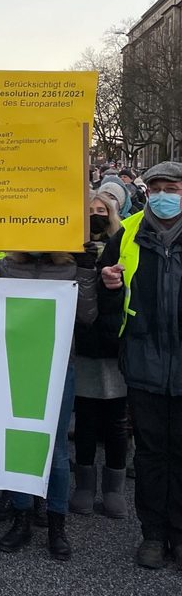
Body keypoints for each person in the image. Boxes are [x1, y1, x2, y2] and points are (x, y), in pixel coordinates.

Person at [98, 161, 182, 569]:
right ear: (147, 191)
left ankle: (178, 535)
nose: (165, 195)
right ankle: (152, 535)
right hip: (145, 361)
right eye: (158, 187)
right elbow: (109, 295)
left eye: (174, 187)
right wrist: (110, 286)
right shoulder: (128, 232)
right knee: (150, 454)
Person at [0, 250, 98, 561]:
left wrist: (87, 274)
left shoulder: (72, 268)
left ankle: (56, 524)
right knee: (21, 441)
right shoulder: (6, 265)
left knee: (57, 449)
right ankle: (22, 516)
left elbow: (87, 316)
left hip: (57, 366)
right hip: (15, 364)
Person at [70, 192, 128, 519]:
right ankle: (84, 484)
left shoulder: (123, 245)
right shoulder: (74, 250)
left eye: (101, 210)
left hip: (116, 345)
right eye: (90, 210)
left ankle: (114, 488)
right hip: (85, 344)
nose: (96, 215)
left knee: (117, 422)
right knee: (87, 420)